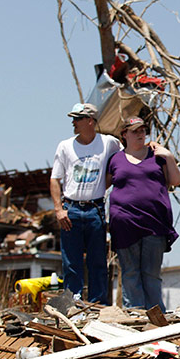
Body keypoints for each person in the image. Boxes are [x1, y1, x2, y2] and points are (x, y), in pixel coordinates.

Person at [106, 116, 180, 311]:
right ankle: (136, 315)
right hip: (124, 223)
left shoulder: (157, 156)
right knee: (130, 273)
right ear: (125, 135)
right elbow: (104, 184)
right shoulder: (115, 159)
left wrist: (169, 156)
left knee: (151, 274)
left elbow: (175, 181)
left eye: (143, 130)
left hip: (154, 223)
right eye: (135, 131)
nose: (140, 134)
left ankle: (156, 315)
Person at [50, 103, 121, 304]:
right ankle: (72, 302)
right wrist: (58, 209)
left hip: (95, 209)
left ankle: (97, 304)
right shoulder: (65, 146)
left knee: (97, 260)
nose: (73, 122)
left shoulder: (109, 143)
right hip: (71, 208)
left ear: (90, 120)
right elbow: (55, 179)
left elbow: (125, 157)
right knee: (71, 261)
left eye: (78, 118)